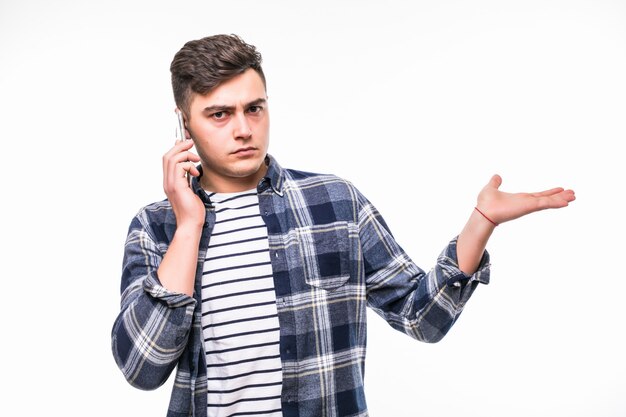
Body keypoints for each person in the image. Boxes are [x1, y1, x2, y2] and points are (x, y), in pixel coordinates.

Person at [111, 34, 575, 417]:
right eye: (219, 114)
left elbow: (422, 318)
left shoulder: (335, 203)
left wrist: (481, 222)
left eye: (254, 108)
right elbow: (143, 368)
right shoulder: (157, 228)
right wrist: (190, 223)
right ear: (183, 125)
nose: (244, 129)